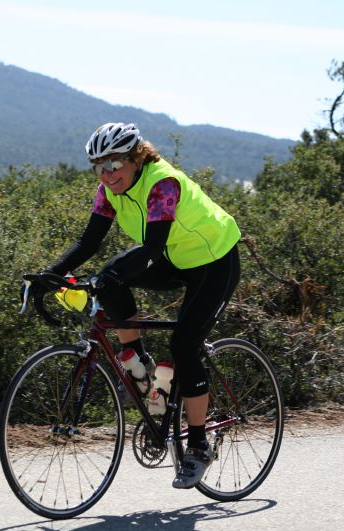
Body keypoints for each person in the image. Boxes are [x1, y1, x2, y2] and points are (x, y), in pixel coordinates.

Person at [32, 122, 242, 489]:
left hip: (215, 261)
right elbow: (88, 243)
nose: (107, 175)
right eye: (98, 167)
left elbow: (151, 249)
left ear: (135, 157)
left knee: (184, 345)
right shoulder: (108, 191)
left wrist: (108, 277)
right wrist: (49, 276)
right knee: (109, 276)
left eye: (113, 165)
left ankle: (198, 445)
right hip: (178, 259)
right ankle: (138, 360)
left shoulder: (162, 183)